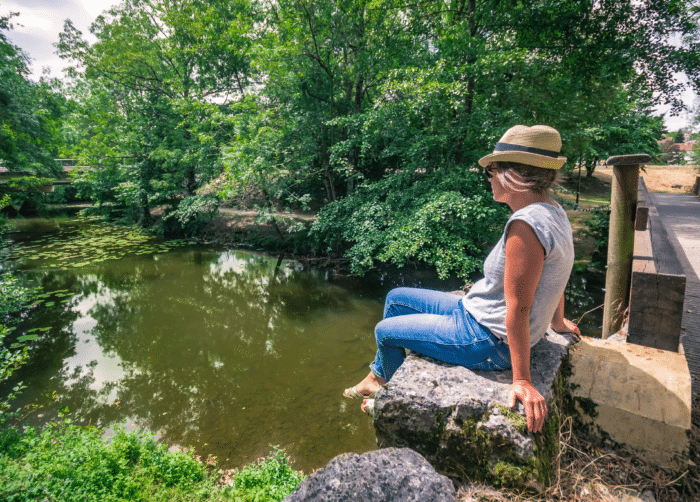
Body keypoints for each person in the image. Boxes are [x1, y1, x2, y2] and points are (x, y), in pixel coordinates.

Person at [343, 124, 581, 434]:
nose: (489, 178)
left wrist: (522, 380)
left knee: (384, 332)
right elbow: (555, 275)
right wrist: (557, 322)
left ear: (514, 175)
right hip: (474, 311)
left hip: (487, 338)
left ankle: (393, 397)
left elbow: (520, 307)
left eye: (492, 171)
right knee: (396, 298)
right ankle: (379, 377)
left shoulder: (526, 225)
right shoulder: (553, 211)